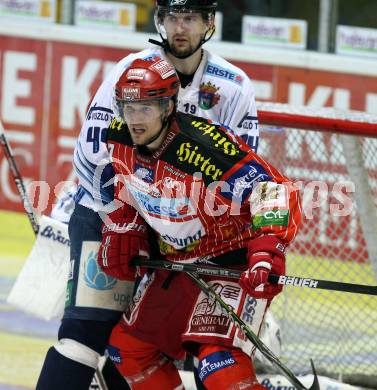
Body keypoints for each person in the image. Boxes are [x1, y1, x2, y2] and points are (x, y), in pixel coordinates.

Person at [36, 1, 260, 389]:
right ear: (160, 21)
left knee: (141, 341)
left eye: (190, 18)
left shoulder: (233, 86)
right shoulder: (129, 71)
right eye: (172, 17)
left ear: (209, 23)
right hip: (109, 214)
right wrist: (121, 217)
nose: (180, 27)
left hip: (180, 231)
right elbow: (92, 150)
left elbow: (243, 172)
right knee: (84, 333)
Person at [98, 58, 301, 389]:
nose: (134, 119)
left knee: (217, 363)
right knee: (128, 350)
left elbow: (271, 190)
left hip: (232, 259)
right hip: (175, 264)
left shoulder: (204, 146)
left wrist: (267, 250)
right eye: (127, 107)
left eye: (145, 109)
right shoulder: (119, 137)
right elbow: (122, 180)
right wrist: (123, 224)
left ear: (168, 106)